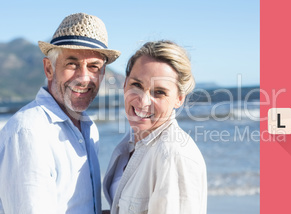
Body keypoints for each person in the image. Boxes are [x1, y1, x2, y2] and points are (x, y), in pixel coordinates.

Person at [0, 13, 120, 213]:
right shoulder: (29, 133)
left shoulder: (89, 130)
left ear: (102, 74)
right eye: (72, 64)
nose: (84, 78)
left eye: (93, 67)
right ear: (49, 68)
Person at [103, 41, 207, 214]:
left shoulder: (173, 156)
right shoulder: (129, 144)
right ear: (125, 84)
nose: (143, 101)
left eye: (159, 92)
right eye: (136, 85)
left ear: (179, 98)